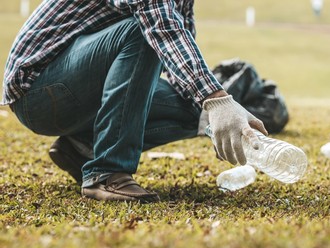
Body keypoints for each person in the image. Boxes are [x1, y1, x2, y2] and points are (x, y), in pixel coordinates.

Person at [2, 0, 267, 202]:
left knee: (193, 107)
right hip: (39, 92)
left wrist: (221, 108)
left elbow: (178, 55)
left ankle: (84, 148)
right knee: (142, 31)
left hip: (76, 91)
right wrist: (216, 99)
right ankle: (106, 172)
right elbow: (160, 27)